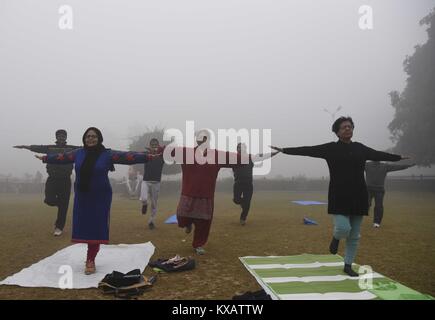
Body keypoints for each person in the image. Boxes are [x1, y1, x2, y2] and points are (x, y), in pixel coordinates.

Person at [271, 117, 408, 277]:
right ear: (337, 131)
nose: (347, 129)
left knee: (355, 234)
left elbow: (377, 154)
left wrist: (397, 157)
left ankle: (348, 265)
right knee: (344, 228)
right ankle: (336, 238)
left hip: (359, 195)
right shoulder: (330, 149)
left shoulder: (360, 148)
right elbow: (309, 150)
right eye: (343, 127)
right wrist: (285, 150)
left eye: (350, 126)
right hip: (339, 195)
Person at [35, 127, 159, 275]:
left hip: (100, 196)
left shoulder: (106, 154)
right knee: (84, 226)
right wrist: (45, 158)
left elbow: (127, 157)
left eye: (94, 136)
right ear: (84, 139)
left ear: (99, 138)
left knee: (96, 228)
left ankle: (90, 260)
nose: (90, 139)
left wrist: (147, 157)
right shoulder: (78, 153)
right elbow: (62, 158)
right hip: (83, 196)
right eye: (88, 136)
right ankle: (90, 256)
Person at [169, 129, 242, 255]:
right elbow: (168, 151)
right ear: (196, 139)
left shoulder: (215, 155)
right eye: (199, 137)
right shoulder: (187, 153)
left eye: (205, 137)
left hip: (206, 196)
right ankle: (188, 223)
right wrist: (158, 149)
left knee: (203, 222)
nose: (202, 139)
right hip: (188, 193)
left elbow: (236, 158)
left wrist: (253, 157)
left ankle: (198, 244)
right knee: (182, 216)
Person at [13, 130, 80, 236]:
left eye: (63, 136)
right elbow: (37, 147)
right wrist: (24, 146)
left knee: (64, 206)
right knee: (49, 200)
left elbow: (87, 148)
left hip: (65, 180)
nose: (61, 138)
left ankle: (59, 227)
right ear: (56, 137)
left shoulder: (72, 148)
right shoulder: (50, 148)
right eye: (59, 136)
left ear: (66, 137)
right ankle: (60, 204)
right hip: (52, 179)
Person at [233, 143, 278, 225]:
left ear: (245, 149)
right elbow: (223, 161)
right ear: (237, 149)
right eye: (238, 148)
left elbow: (263, 156)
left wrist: (274, 153)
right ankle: (243, 203)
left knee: (247, 203)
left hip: (248, 184)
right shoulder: (233, 158)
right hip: (238, 183)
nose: (240, 149)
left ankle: (243, 218)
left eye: (242, 148)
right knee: (236, 200)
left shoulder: (251, 157)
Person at [365, 161, 415, 228]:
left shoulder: (384, 166)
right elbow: (356, 164)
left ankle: (376, 223)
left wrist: (408, 165)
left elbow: (397, 167)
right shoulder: (367, 165)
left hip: (379, 190)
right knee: (366, 204)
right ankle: (362, 215)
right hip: (368, 189)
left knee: (379, 206)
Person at [140, 138, 165, 230]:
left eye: (156, 145)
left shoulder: (162, 156)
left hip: (156, 182)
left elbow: (170, 153)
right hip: (146, 181)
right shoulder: (146, 155)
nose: (154, 146)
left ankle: (151, 221)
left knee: (154, 204)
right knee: (144, 198)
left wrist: (163, 150)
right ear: (150, 146)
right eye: (152, 145)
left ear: (158, 146)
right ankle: (144, 204)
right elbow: (136, 155)